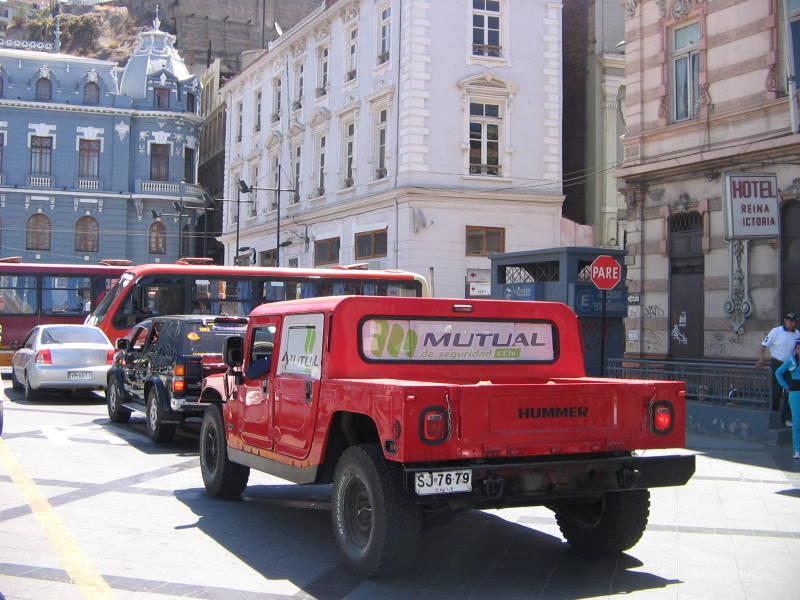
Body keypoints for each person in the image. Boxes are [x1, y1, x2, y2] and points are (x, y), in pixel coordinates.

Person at [757, 313, 800, 426]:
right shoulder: (776, 331)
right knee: (775, 391)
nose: (793, 324)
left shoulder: (797, 334)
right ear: (785, 320)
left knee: (790, 391)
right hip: (777, 363)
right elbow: (763, 345)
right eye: (791, 321)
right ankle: (774, 416)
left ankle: (786, 418)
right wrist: (761, 359)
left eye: (795, 321)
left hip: (790, 365)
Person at [775, 339, 800, 459]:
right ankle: (797, 450)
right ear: (796, 350)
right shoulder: (791, 361)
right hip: (795, 394)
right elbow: (778, 372)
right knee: (797, 423)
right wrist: (785, 386)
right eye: (799, 348)